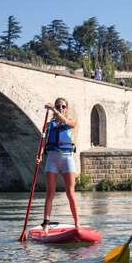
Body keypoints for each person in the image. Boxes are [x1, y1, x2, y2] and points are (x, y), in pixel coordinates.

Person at [41, 97, 79, 233]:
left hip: (67, 158)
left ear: (66, 109)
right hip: (52, 158)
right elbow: (43, 141)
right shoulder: (49, 124)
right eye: (58, 106)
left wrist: (53, 110)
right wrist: (39, 155)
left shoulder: (71, 121)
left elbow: (65, 121)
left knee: (70, 193)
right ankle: (46, 224)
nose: (61, 108)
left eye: (63, 106)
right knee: (50, 193)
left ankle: (77, 224)